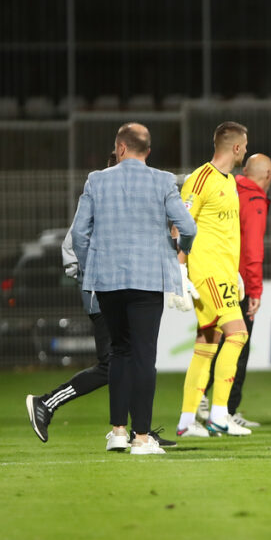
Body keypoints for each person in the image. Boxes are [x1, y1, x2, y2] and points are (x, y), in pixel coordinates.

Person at [24, 150, 178, 448]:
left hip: (114, 290)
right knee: (115, 363)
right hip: (103, 294)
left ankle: (136, 432)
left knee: (129, 360)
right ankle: (47, 403)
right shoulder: (101, 203)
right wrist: (92, 277)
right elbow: (73, 245)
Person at [68, 123, 196, 455]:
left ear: (120, 148)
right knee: (143, 355)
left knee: (120, 352)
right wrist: (182, 249)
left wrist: (90, 265)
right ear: (146, 151)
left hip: (106, 280)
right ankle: (142, 437)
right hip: (149, 277)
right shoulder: (164, 180)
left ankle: (118, 432)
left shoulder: (96, 180)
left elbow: (80, 232)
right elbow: (188, 225)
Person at [174, 121, 252, 438]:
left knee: (207, 345)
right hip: (205, 272)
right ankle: (220, 413)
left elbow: (224, 231)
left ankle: (186, 421)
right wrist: (179, 271)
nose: (246, 150)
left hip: (223, 272)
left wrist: (234, 271)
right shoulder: (200, 178)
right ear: (235, 147)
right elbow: (180, 225)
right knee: (238, 334)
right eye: (244, 145)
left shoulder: (230, 181)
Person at [204, 153, 271, 428]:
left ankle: (199, 402)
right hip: (240, 284)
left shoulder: (225, 188)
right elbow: (253, 250)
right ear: (268, 175)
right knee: (236, 347)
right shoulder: (255, 200)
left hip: (212, 277)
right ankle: (225, 411)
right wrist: (255, 289)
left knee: (211, 343)